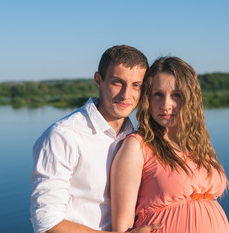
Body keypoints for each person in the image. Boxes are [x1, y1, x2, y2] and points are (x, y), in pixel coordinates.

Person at [30, 45, 161, 233]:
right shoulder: (63, 136)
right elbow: (47, 222)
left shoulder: (137, 137)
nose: (126, 94)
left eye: (136, 85)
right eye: (117, 82)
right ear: (99, 80)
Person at [111, 56, 229, 232]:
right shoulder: (137, 146)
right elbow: (121, 228)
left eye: (176, 95)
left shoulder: (198, 144)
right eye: (158, 95)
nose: (166, 105)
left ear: (190, 99)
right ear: (147, 99)